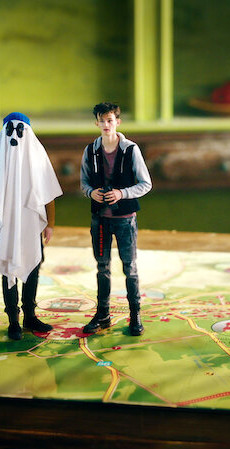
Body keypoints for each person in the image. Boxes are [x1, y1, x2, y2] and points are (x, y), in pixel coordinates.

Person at [0, 112, 63, 340]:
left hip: (31, 223)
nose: (15, 136)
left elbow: (48, 192)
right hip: (5, 224)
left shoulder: (37, 155)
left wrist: (50, 223)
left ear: (28, 132)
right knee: (8, 267)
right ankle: (13, 319)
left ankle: (30, 315)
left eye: (20, 130)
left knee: (33, 265)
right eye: (10, 130)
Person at [80, 102, 152, 336]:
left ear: (117, 122)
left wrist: (122, 193)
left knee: (130, 267)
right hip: (100, 218)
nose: (106, 125)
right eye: (102, 121)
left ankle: (135, 314)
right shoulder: (90, 150)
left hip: (125, 219)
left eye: (110, 120)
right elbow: (84, 182)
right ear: (96, 123)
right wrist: (91, 192)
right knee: (102, 267)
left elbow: (146, 184)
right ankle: (103, 314)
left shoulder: (131, 149)